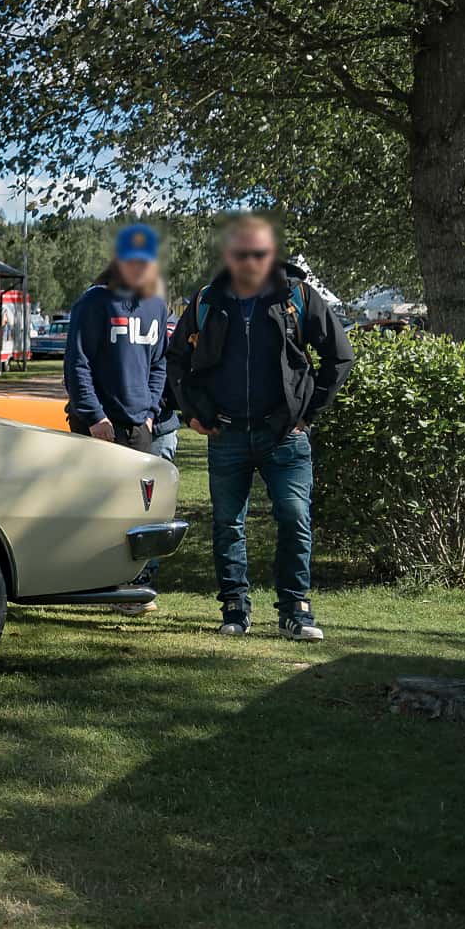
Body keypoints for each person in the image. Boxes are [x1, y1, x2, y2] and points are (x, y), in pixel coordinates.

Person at [167, 216, 354, 641]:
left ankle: (295, 611)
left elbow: (339, 357)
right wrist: (192, 412)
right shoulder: (207, 300)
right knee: (227, 524)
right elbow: (176, 360)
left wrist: (307, 413)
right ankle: (235, 608)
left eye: (258, 253)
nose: (249, 261)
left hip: (284, 435)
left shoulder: (297, 296)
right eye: (241, 253)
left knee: (294, 517)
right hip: (226, 434)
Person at [64, 223, 177, 614]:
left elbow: (159, 364)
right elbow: (77, 364)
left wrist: (149, 413)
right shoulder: (94, 302)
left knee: (138, 511)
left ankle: (130, 588)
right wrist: (94, 416)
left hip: (138, 426)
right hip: (97, 425)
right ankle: (87, 582)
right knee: (95, 507)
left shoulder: (156, 305)